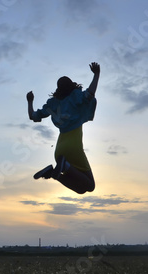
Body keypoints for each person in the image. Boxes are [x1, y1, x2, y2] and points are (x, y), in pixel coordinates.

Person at [27, 62, 100, 194]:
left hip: (59, 150)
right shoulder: (75, 97)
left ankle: (55, 173)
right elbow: (90, 94)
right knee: (90, 186)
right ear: (72, 85)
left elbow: (33, 116)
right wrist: (96, 74)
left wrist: (30, 101)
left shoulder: (53, 104)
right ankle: (64, 165)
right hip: (74, 148)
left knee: (81, 189)